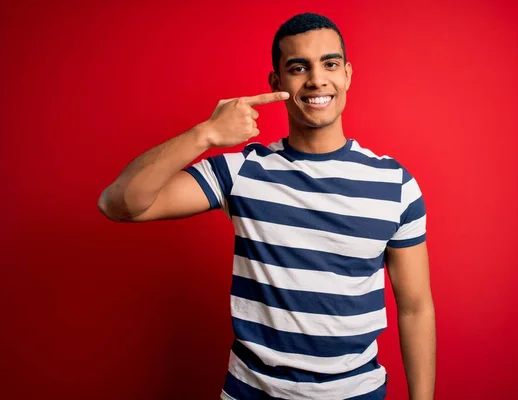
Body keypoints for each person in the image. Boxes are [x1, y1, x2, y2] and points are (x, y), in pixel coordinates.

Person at [98, 12, 436, 400]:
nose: (316, 79)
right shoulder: (243, 170)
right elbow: (118, 203)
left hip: (357, 392)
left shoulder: (394, 184)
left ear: (347, 74)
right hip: (251, 391)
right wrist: (205, 134)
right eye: (298, 67)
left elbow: (415, 308)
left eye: (330, 63)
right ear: (277, 83)